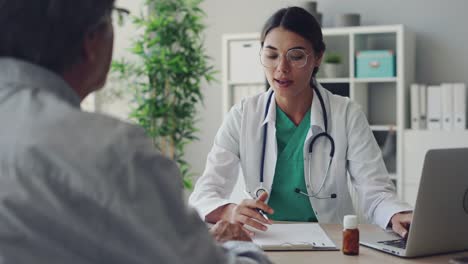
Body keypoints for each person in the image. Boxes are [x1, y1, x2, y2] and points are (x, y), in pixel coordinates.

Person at [0, 1, 272, 263]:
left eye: (296, 55)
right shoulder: (109, 150)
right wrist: (234, 245)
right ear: (92, 40)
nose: (282, 67)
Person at [189, 6, 413, 238]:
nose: (281, 68)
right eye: (272, 55)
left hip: (330, 243)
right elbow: (204, 194)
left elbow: (375, 192)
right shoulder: (243, 115)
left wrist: (397, 214)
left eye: (296, 56)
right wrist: (231, 210)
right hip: (265, 240)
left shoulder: (346, 114)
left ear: (318, 57)